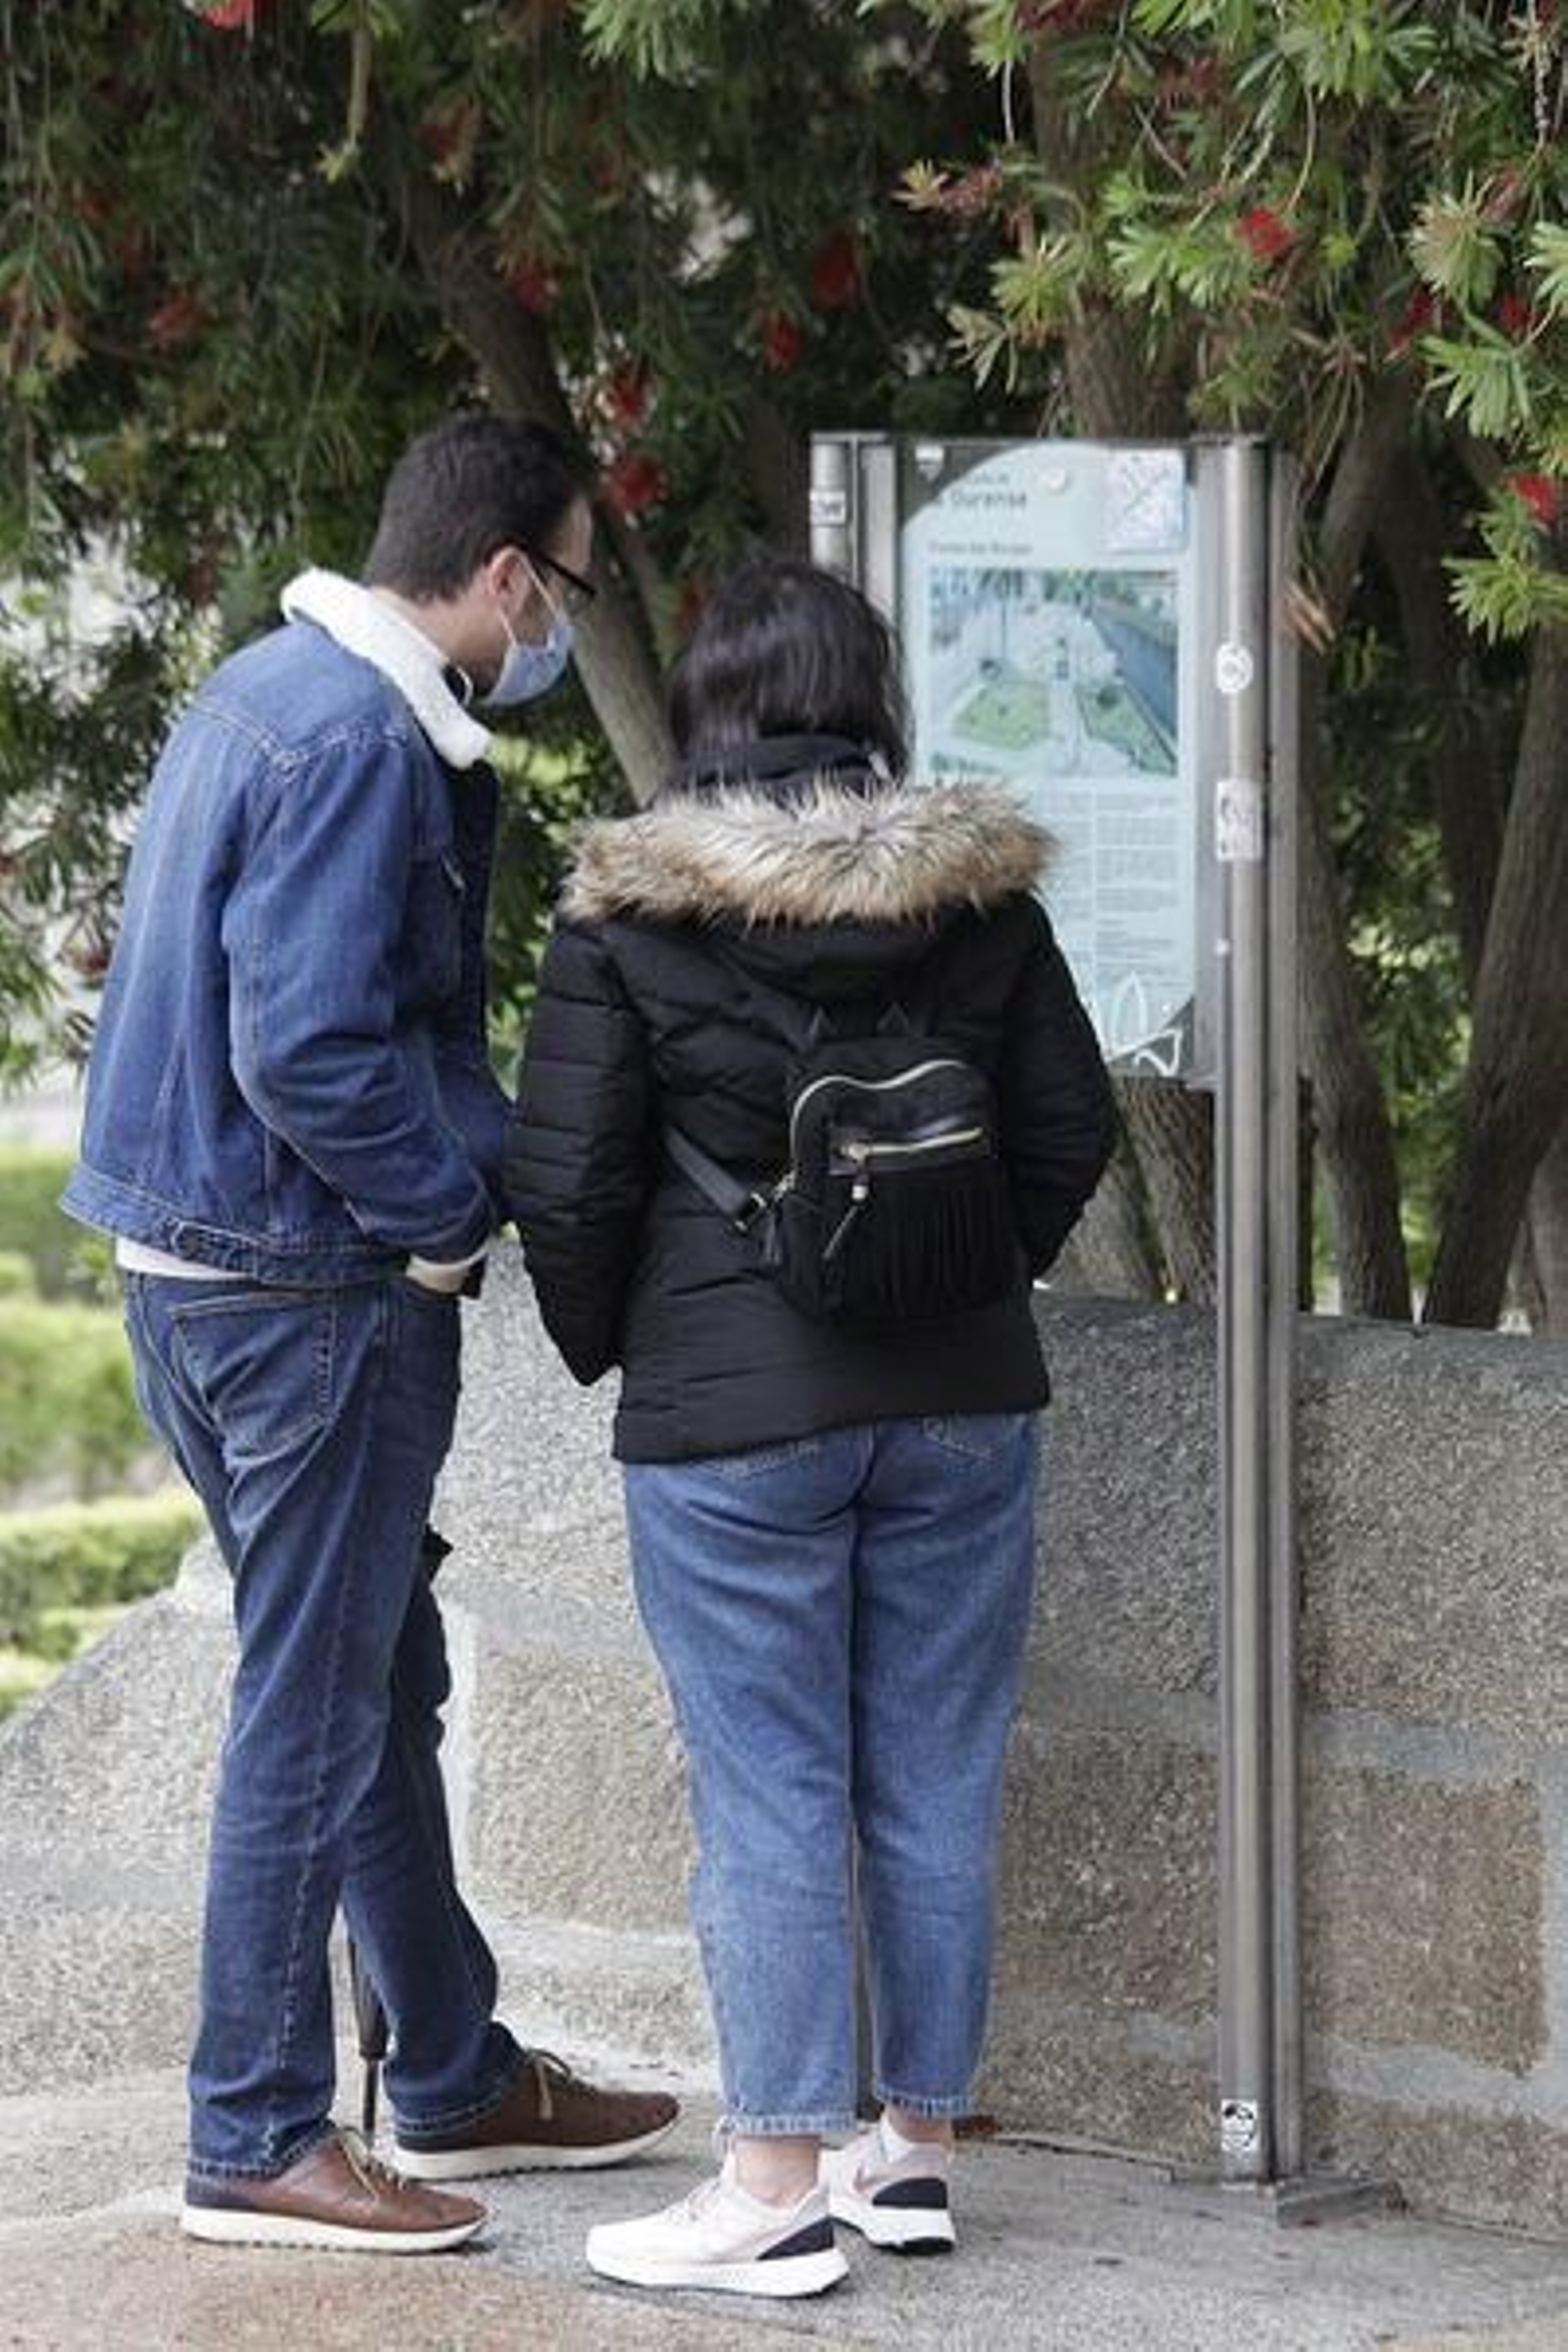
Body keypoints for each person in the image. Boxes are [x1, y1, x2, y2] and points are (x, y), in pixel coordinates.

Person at [63, 412, 677, 2257]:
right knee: (316, 1709)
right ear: (505, 577)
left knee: (372, 1678)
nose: (561, 629)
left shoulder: (266, 687)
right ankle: (256, 2131)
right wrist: (437, 1221)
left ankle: (451, 2067)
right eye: (565, 590)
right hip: (300, 1291)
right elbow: (315, 1048)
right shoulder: (357, 744)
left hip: (197, 1276)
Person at [507, 559, 1116, 2300]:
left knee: (772, 1794)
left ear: (707, 709)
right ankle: (908, 2155)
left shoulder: (629, 913)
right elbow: (1069, 1127)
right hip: (964, 1404)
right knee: (936, 1774)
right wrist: (971, 1281)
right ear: (873, 702)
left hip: (733, 1425)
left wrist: (633, 1355)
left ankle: (774, 2175)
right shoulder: (980, 904)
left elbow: (565, 1181)